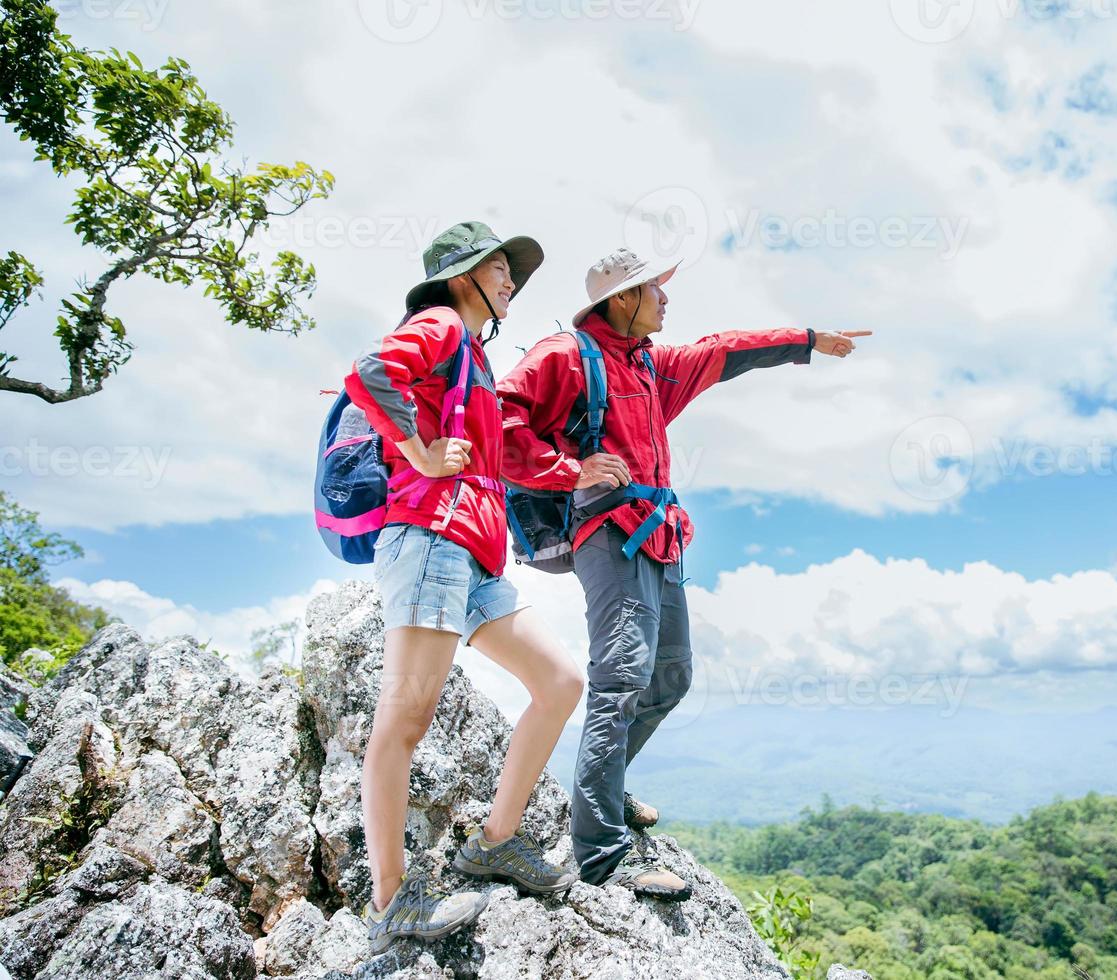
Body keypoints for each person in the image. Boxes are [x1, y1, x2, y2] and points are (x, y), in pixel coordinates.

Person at [497, 247, 869, 899]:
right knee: (621, 680)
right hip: (609, 534)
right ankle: (602, 854)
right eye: (652, 290)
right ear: (620, 300)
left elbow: (724, 351)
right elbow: (501, 421)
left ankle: (601, 792)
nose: (665, 299)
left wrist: (807, 341)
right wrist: (569, 470)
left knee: (669, 677)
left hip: (662, 539)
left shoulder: (651, 368)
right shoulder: (566, 356)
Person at [344, 221, 586, 954]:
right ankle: (391, 901)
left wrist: (584, 473)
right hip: (428, 538)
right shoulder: (443, 323)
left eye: (514, 271)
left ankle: (494, 842)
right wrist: (420, 449)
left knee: (560, 680)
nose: (511, 279)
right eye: (498, 267)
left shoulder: (472, 356)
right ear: (459, 277)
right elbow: (369, 369)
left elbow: (504, 459)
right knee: (407, 718)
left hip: (473, 553)